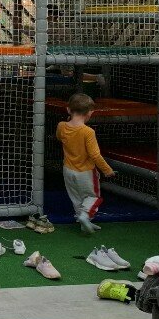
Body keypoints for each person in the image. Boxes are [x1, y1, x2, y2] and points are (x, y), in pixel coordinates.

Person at [56, 92, 115, 234]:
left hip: (68, 170)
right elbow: (95, 155)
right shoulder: (88, 132)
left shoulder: (61, 126)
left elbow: (59, 137)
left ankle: (83, 221)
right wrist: (107, 170)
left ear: (68, 109)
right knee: (93, 197)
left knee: (76, 197)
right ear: (90, 113)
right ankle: (85, 216)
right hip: (86, 171)